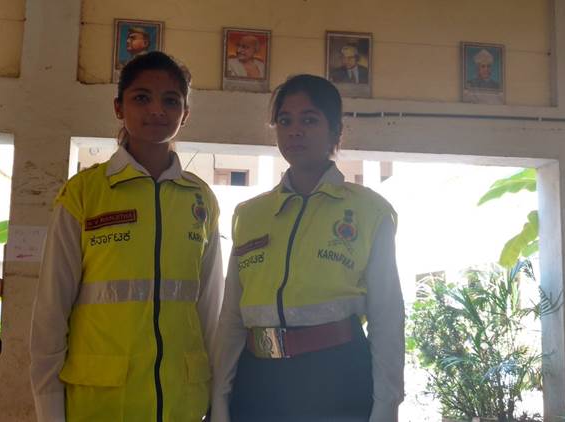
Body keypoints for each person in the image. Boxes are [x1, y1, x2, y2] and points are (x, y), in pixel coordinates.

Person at [30, 51, 223, 422]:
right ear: (119, 107)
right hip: (100, 404)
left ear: (185, 113)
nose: (157, 110)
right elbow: (50, 317)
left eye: (171, 100)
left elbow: (210, 313)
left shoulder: (200, 199)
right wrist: (49, 412)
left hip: (182, 403)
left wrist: (218, 405)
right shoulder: (83, 194)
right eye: (141, 97)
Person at [211, 74, 405, 422]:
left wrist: (386, 407)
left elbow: (387, 317)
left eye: (310, 120)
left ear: (336, 131)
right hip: (257, 380)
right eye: (285, 121)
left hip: (336, 376)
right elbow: (231, 318)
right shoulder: (249, 215)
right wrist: (220, 397)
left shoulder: (370, 211)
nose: (295, 131)